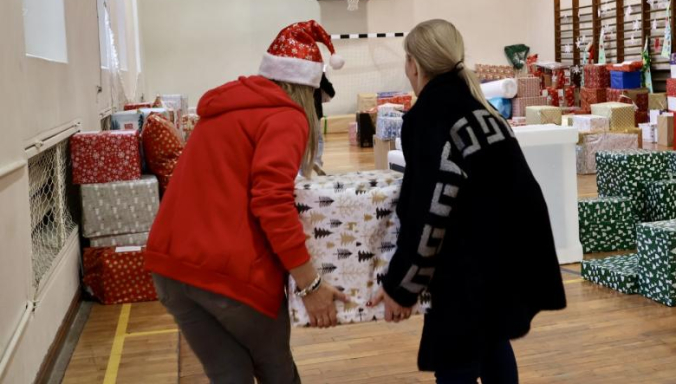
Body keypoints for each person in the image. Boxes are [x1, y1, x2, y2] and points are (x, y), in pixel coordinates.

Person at [145, 20, 347, 384]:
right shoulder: (286, 117)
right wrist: (310, 285)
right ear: (308, 89)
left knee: (228, 375)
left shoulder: (221, 110)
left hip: (170, 269)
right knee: (276, 371)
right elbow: (271, 201)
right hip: (230, 278)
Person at [370, 19, 566, 383]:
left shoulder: (429, 116)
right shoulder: (482, 109)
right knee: (492, 342)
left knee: (457, 357)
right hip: (508, 250)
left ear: (414, 64)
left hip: (469, 261)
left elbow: (427, 209)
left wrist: (401, 285)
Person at [313, 70, 335, 172]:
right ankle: (316, 161)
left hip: (295, 109)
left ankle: (300, 167)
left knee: (300, 138)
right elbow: (330, 90)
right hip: (314, 108)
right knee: (318, 138)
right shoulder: (315, 69)